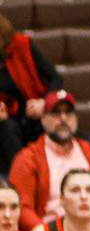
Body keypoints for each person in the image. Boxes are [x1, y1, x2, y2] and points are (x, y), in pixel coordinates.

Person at [10, 93, 90, 227]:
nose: (63, 118)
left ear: (75, 119)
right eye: (56, 113)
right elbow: (22, 209)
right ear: (43, 119)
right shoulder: (27, 159)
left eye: (68, 113)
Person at [0, 12, 61, 172]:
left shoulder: (22, 44)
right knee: (5, 127)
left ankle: (51, 173)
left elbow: (56, 78)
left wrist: (44, 103)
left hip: (36, 113)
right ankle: (23, 175)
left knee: (50, 120)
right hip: (9, 121)